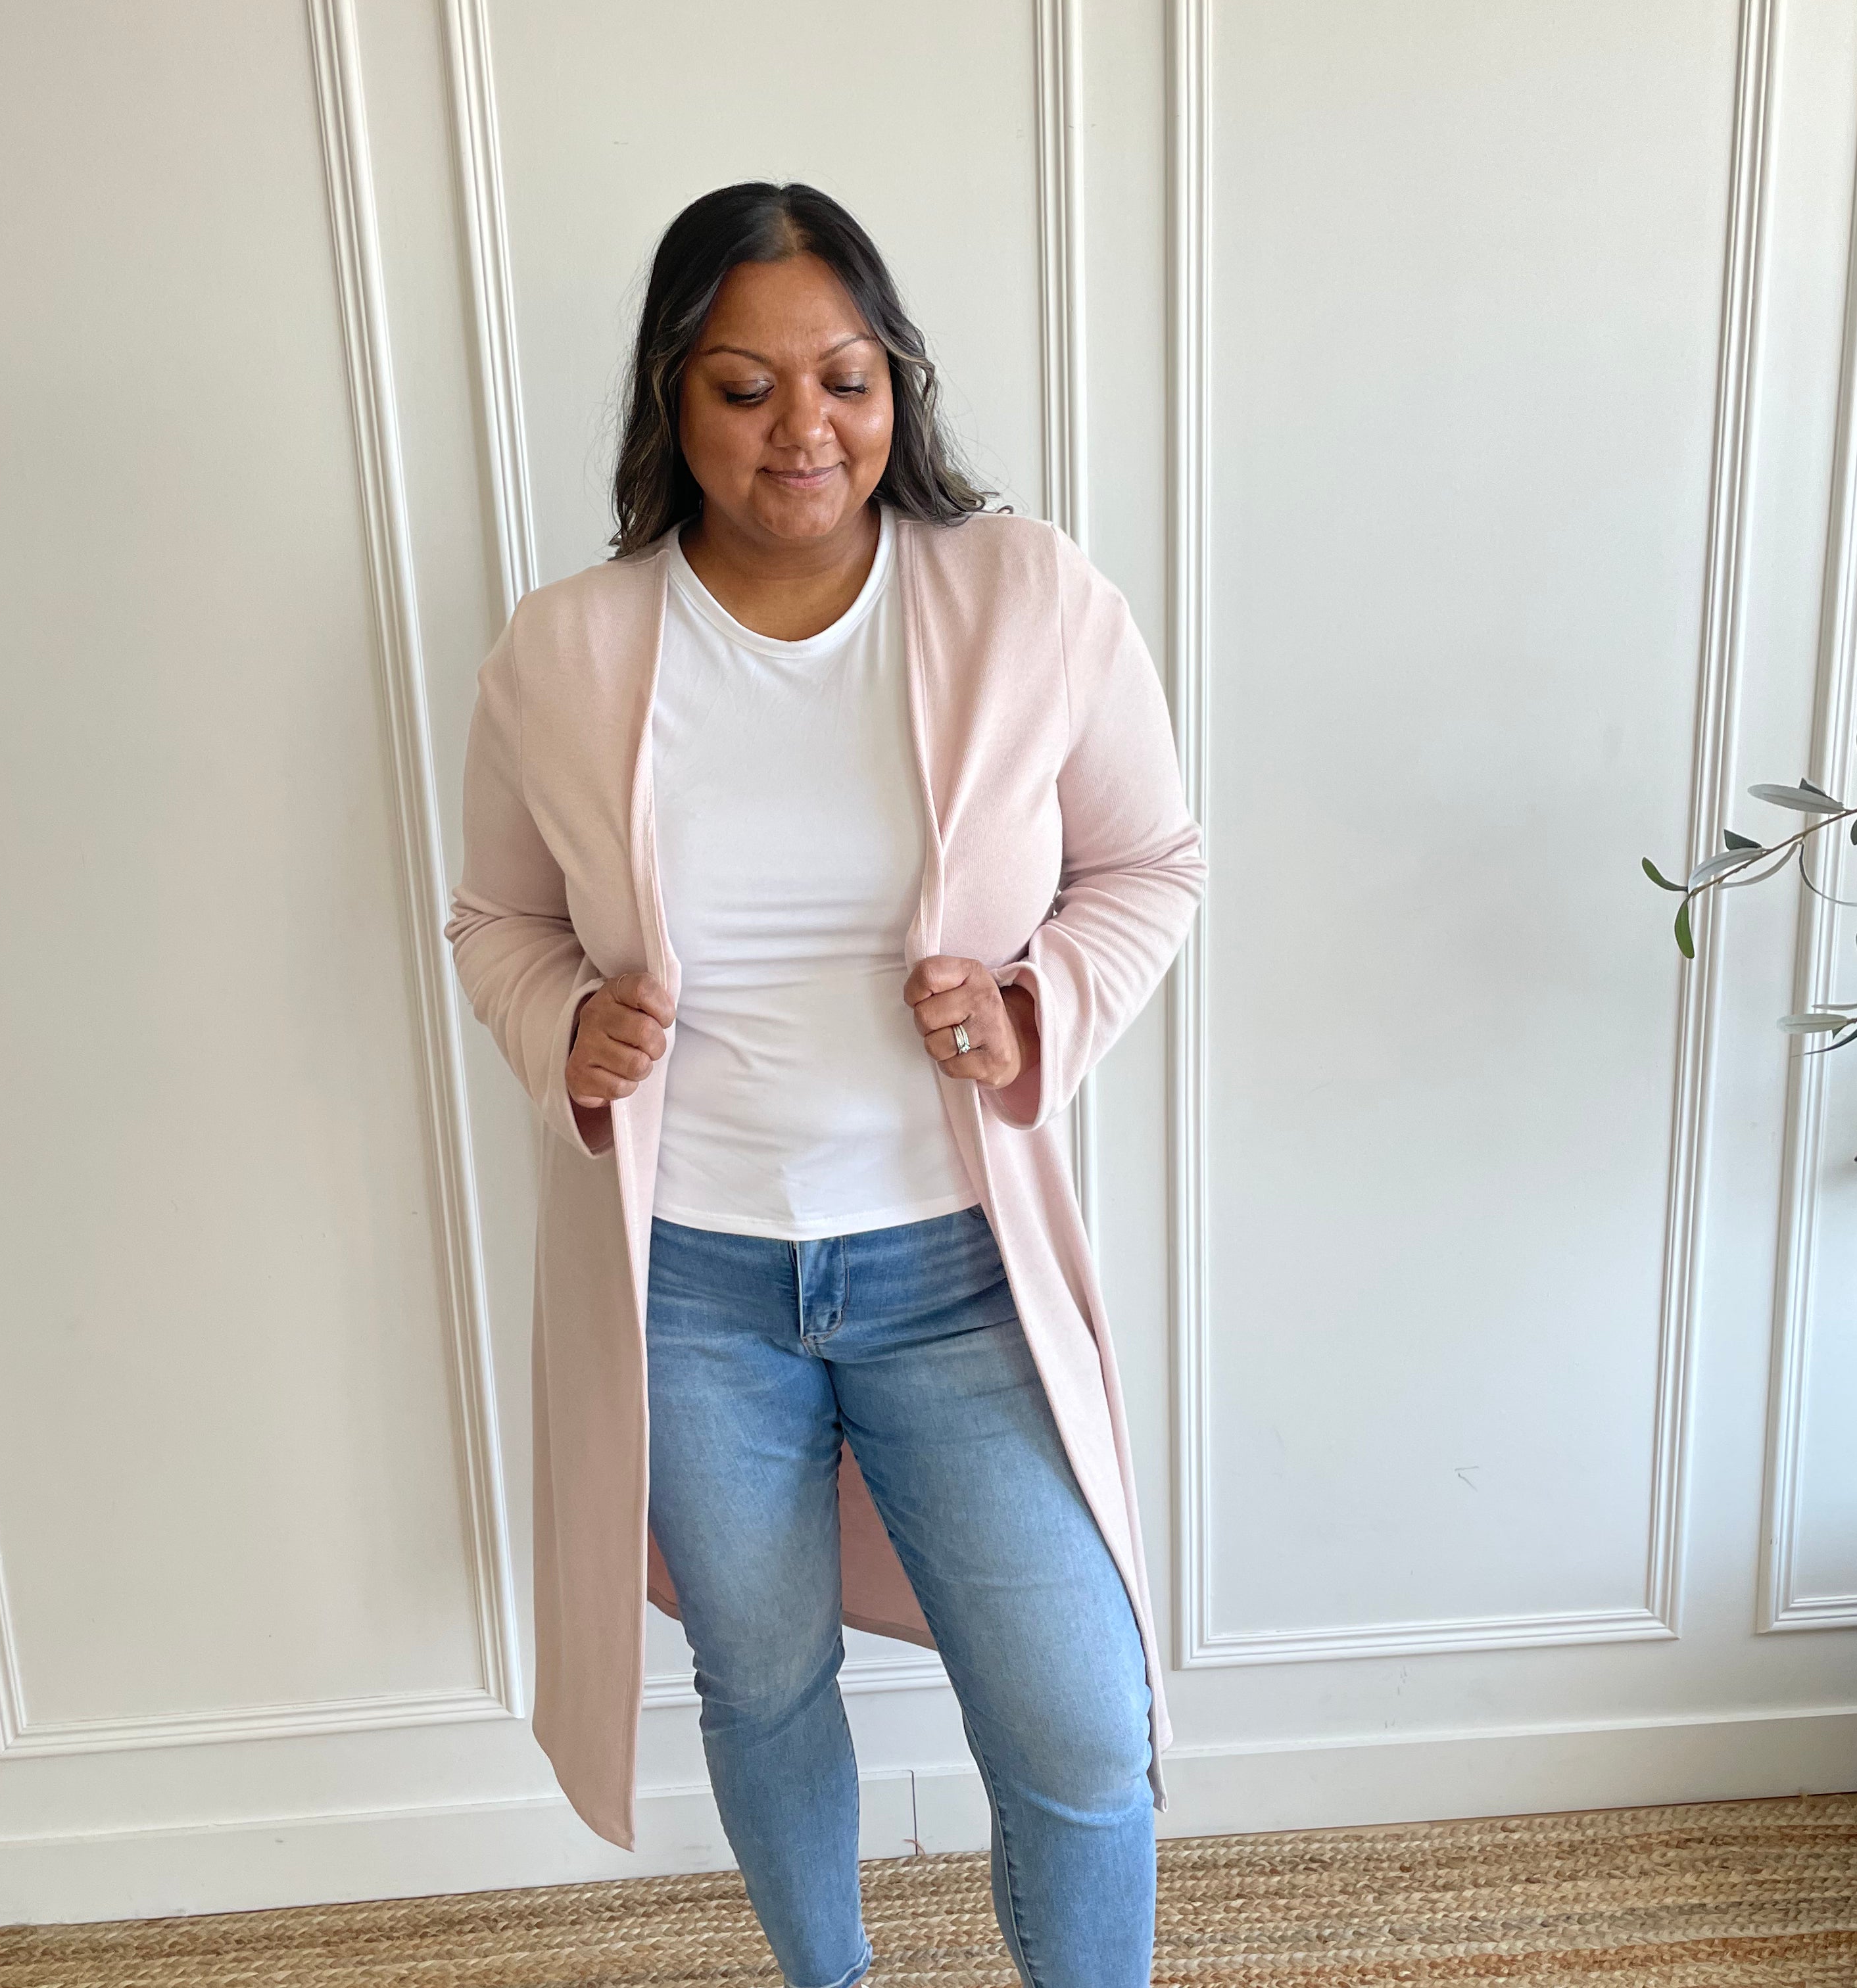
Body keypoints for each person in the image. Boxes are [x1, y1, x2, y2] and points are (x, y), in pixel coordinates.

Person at [445, 179, 1205, 1988]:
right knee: (761, 1678)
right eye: (745, 387)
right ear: (671, 403)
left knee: (1085, 1730)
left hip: (955, 1274)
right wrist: (571, 1027)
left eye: (847, 379)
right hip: (693, 1288)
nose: (806, 429)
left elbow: (1151, 864)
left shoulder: (1027, 594)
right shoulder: (565, 650)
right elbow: (495, 917)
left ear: (898, 386)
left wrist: (1036, 1011)